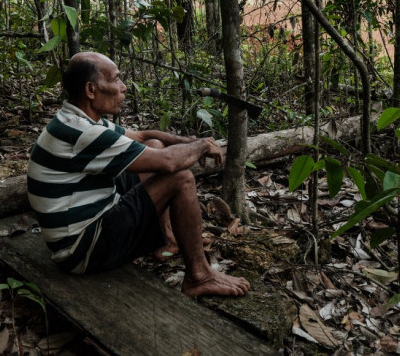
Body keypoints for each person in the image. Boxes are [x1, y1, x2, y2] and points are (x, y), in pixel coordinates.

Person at [27, 51, 250, 298]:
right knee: (181, 178)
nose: (123, 88)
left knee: (152, 146)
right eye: (116, 80)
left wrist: (190, 140)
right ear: (91, 90)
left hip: (81, 231)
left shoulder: (78, 119)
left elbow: (143, 137)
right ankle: (199, 276)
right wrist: (200, 147)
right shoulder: (84, 133)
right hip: (81, 251)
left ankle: (168, 239)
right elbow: (169, 162)